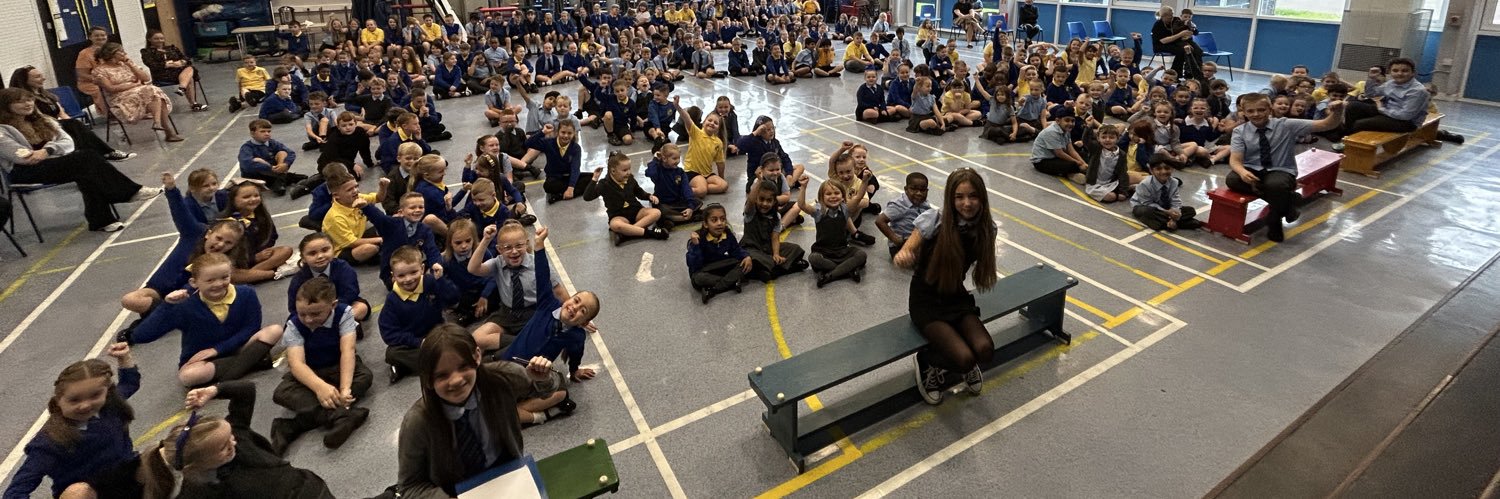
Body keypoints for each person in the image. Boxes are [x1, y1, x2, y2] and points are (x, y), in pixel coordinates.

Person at [396, 327, 569, 497]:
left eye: (463, 367)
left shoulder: (502, 377)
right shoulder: (417, 421)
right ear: (427, 378)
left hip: (508, 475)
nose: (456, 380)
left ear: (477, 356)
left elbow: (549, 389)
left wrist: (543, 377)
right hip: (453, 491)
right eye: (442, 375)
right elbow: (410, 486)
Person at [894, 168, 998, 405]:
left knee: (985, 350)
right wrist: (904, 254)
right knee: (964, 359)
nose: (967, 203)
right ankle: (926, 362)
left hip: (955, 297)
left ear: (982, 197)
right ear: (951, 198)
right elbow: (909, 247)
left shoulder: (987, 229)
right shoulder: (935, 221)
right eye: (959, 197)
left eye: (973, 196)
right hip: (926, 302)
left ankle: (965, 362)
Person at [0, 88, 159, 232]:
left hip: (53, 162)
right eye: (20, 101)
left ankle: (102, 221)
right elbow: (22, 158)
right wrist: (49, 150)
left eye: (29, 99)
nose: (28, 104)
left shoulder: (43, 120)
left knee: (86, 169)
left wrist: (48, 150)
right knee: (85, 159)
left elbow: (68, 142)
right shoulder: (2, 130)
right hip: (23, 172)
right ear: (6, 106)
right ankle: (128, 192)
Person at [147, 381, 335, 498]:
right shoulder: (198, 491)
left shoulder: (236, 433)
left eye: (230, 437)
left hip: (308, 486)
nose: (233, 443)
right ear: (195, 466)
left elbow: (246, 392)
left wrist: (215, 390)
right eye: (223, 447)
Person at [4, 344, 143, 499]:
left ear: (107, 392)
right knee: (79, 492)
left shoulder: (111, 407)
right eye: (74, 400)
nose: (85, 405)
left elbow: (129, 384)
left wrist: (124, 358)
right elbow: (15, 493)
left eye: (95, 395)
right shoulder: (49, 442)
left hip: (127, 483)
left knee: (162, 453)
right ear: (58, 401)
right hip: (93, 494)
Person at [132, 252, 286, 387]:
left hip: (240, 346)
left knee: (275, 330)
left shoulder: (246, 293)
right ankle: (253, 361)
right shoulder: (184, 305)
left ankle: (227, 378)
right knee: (188, 376)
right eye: (210, 280)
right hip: (203, 359)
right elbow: (141, 336)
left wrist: (216, 350)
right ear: (194, 282)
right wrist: (166, 305)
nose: (219, 284)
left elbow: (251, 328)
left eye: (224, 277)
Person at [1229, 92, 1345, 242]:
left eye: (1261, 110)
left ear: (1270, 109)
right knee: (1232, 179)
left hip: (1280, 169)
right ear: (1243, 112)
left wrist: (1338, 111)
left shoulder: (1286, 124)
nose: (1256, 114)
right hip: (1254, 168)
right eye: (1250, 111)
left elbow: (1327, 124)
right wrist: (1242, 171)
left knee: (1275, 184)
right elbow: (1235, 160)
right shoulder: (1240, 131)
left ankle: (1274, 219)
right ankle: (1288, 203)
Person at [7, 66, 134, 161]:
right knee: (71, 126)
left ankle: (100, 154)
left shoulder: (46, 95)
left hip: (55, 124)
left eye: (41, 75)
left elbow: (61, 112)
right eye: (37, 77)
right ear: (25, 80)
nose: (43, 78)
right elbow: (39, 117)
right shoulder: (26, 99)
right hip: (40, 126)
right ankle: (105, 153)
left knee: (74, 125)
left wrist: (71, 122)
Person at [1333, 57, 1431, 150]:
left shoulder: (1418, 91)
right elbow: (1371, 94)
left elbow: (1405, 115)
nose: (1399, 74)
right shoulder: (1391, 83)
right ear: (1390, 72)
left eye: (1405, 71)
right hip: (1388, 112)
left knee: (1360, 123)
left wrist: (1381, 109)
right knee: (1353, 106)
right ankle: (1346, 136)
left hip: (1406, 122)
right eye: (1395, 71)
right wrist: (1372, 79)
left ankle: (1351, 146)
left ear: (1413, 73)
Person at [91, 43, 183, 141]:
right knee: (153, 92)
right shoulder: (99, 71)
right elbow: (111, 88)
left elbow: (146, 78)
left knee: (156, 95)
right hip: (121, 99)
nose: (124, 53)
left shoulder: (126, 64)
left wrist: (130, 64)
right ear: (112, 54)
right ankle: (167, 131)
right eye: (121, 52)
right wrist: (134, 85)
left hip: (142, 94)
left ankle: (158, 123)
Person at [796, 178, 867, 287]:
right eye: (828, 194)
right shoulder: (819, 212)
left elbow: (858, 197)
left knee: (861, 255)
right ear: (821, 198)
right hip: (823, 251)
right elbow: (801, 205)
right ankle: (848, 269)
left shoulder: (845, 209)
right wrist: (803, 187)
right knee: (814, 258)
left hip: (842, 250)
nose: (833, 196)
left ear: (843, 196)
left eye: (837, 193)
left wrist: (865, 180)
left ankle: (830, 275)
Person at [686, 203, 751, 302]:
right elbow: (694, 266)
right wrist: (696, 246)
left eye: (723, 219)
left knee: (744, 264)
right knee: (698, 278)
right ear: (705, 224)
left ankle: (712, 289)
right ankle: (732, 282)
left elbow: (736, 250)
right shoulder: (698, 239)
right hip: (705, 269)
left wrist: (746, 256)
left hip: (720, 266)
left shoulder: (727, 234)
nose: (720, 223)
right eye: (714, 220)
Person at [141, 30, 207, 111]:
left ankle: (182, 88)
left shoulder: (172, 48)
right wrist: (167, 64)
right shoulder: (146, 52)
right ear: (149, 39)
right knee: (189, 77)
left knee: (190, 68)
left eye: (161, 38)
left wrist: (180, 62)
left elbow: (186, 59)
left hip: (180, 72)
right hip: (162, 75)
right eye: (156, 39)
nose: (160, 40)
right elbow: (151, 65)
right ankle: (193, 103)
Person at [1029, 106, 1088, 184]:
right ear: (1058, 121)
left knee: (1084, 155)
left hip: (1054, 156)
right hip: (1042, 161)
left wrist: (1083, 162)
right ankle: (1071, 174)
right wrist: (1078, 163)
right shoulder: (1051, 132)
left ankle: (1079, 170)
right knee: (1072, 165)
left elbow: (1071, 149)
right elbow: (1059, 153)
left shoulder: (1066, 130)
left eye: (1072, 121)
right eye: (1067, 120)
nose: (1070, 123)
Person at [1151, 6, 1201, 79]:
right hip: (1161, 45)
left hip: (1174, 43)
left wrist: (1191, 29)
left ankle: (1196, 72)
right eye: (1169, 17)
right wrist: (1181, 34)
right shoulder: (1158, 25)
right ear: (1163, 16)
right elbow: (1163, 41)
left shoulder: (1175, 20)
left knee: (1196, 50)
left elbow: (1193, 30)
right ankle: (1176, 74)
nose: (1172, 18)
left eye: (1172, 15)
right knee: (1182, 50)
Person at [74, 26, 112, 118]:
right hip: (90, 82)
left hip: (111, 78)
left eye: (103, 35)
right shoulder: (84, 54)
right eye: (97, 36)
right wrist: (101, 80)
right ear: (90, 37)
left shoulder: (112, 49)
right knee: (102, 90)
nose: (100, 38)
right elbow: (81, 74)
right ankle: (109, 115)